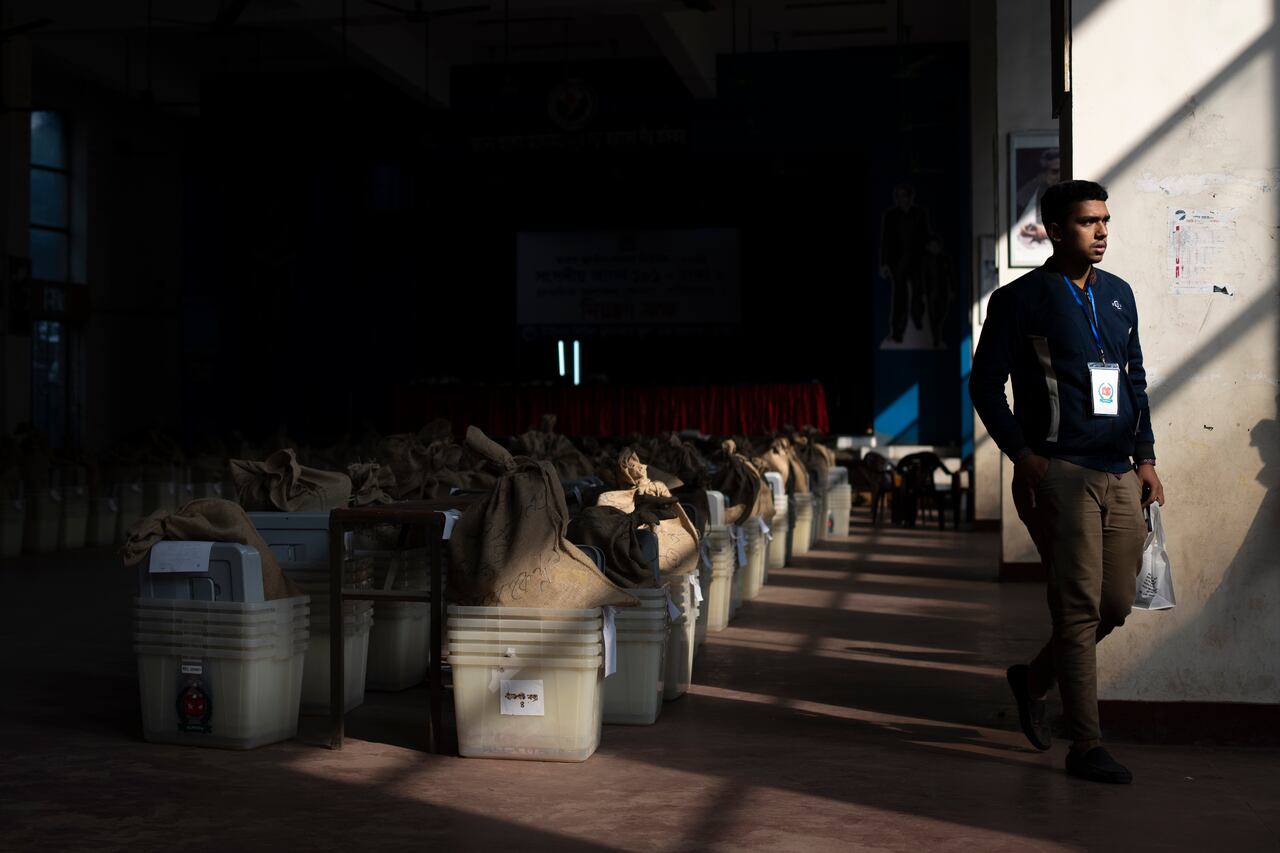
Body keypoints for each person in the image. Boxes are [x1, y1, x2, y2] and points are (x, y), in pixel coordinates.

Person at [969, 179, 1166, 785]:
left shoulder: (1119, 295)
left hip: (1120, 473)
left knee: (1115, 604)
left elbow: (1132, 378)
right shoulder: (1021, 300)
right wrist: (1023, 455)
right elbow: (984, 386)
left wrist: (1147, 458)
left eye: (1105, 220)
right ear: (1055, 230)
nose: (1102, 231)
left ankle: (1032, 680)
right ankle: (1086, 745)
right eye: (1088, 222)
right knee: (1078, 610)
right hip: (1061, 472)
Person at [878, 183, 932, 342]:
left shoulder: (919, 214)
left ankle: (917, 320)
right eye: (898, 196)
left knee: (917, 293)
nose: (901, 199)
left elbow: (924, 235)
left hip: (917, 261)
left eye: (903, 196)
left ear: (910, 197)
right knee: (900, 298)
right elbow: (885, 240)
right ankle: (897, 332)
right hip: (898, 262)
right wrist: (884, 264)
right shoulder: (891, 215)